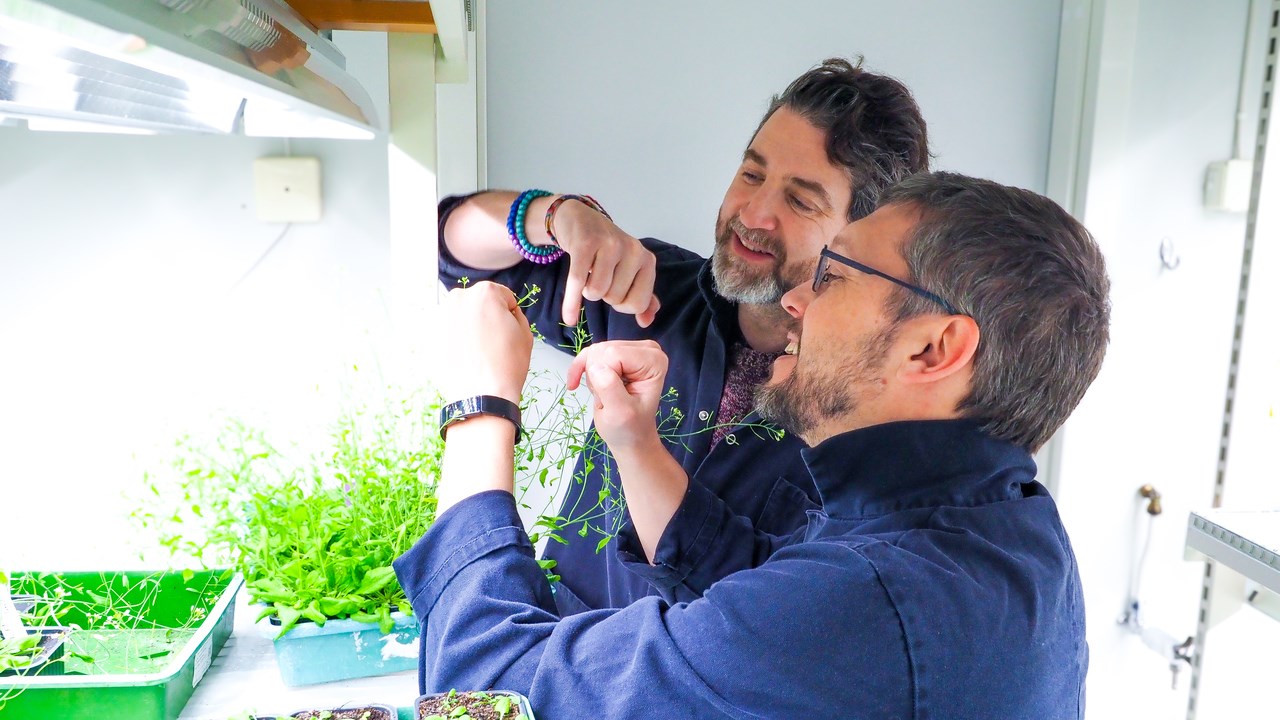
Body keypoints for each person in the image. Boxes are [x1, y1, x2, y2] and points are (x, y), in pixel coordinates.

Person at [396, 171, 1110, 719]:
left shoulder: (864, 602)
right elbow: (755, 576)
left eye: (832, 274)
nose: (796, 299)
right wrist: (635, 442)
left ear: (933, 347)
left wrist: (480, 404)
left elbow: (480, 695)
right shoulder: (1009, 530)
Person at [436, 57, 931, 613]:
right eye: (751, 174)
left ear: (860, 238)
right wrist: (557, 215)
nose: (755, 212)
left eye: (799, 200)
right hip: (552, 670)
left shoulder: (861, 420)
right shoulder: (648, 287)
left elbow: (778, 617)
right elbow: (456, 250)